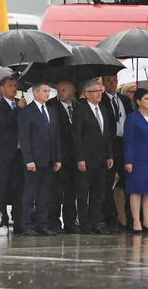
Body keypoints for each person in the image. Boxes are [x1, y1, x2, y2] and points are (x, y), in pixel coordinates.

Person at [18, 83, 62, 236]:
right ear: (35, 93)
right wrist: (28, 160)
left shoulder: (51, 110)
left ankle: (41, 225)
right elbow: (24, 138)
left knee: (45, 195)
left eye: (48, 91)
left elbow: (55, 136)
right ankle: (26, 225)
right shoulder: (27, 112)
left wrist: (57, 158)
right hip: (34, 161)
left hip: (49, 159)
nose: (47, 94)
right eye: (44, 91)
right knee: (30, 193)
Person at [72, 79, 114, 234]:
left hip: (101, 158)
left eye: (100, 90)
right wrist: (80, 158)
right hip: (87, 158)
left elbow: (106, 134)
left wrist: (109, 154)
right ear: (86, 94)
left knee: (98, 192)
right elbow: (76, 136)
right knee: (83, 193)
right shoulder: (80, 109)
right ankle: (84, 224)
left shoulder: (102, 109)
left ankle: (96, 222)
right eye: (96, 90)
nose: (99, 93)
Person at [124, 88, 148, 234]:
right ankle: (136, 221)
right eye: (146, 99)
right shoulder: (132, 118)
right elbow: (128, 141)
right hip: (138, 159)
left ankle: (147, 220)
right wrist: (128, 160)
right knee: (136, 190)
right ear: (138, 101)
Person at [0, 76, 27, 233]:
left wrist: (22, 109)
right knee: (2, 188)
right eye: (10, 86)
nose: (14, 88)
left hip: (20, 153)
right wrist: (17, 109)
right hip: (4, 153)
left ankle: (19, 221)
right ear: (2, 89)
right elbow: (3, 124)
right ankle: (0, 220)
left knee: (20, 188)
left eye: (15, 85)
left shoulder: (21, 103)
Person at [100, 74, 134, 232]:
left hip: (124, 143)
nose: (112, 84)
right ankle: (109, 218)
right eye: (108, 81)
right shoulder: (102, 100)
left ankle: (129, 217)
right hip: (110, 144)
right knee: (107, 183)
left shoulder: (124, 100)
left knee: (128, 181)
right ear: (104, 83)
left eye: (114, 81)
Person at [47, 81, 80, 234]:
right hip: (60, 155)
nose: (60, 92)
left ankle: (70, 222)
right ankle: (53, 222)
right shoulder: (52, 106)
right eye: (58, 90)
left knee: (72, 192)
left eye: (64, 90)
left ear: (72, 92)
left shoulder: (78, 107)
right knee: (56, 191)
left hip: (75, 157)